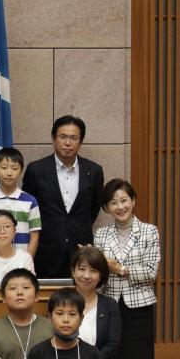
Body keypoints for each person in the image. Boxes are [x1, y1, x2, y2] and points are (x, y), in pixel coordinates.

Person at [93, 179, 160, 359]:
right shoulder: (101, 234)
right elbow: (98, 274)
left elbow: (150, 272)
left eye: (124, 200)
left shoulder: (149, 231)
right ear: (106, 207)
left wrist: (117, 267)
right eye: (113, 202)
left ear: (133, 200)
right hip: (110, 307)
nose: (119, 206)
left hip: (139, 308)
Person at [22, 116, 105, 278]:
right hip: (45, 252)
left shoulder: (94, 171)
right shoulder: (36, 170)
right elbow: (29, 209)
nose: (68, 143)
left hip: (80, 253)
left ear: (80, 141)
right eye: (63, 137)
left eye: (73, 138)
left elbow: (94, 208)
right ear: (54, 138)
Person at [0, 147, 41, 255]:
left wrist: (27, 260)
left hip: (21, 262)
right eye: (4, 168)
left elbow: (34, 236)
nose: (9, 173)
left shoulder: (31, 201)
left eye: (15, 168)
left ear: (21, 171)